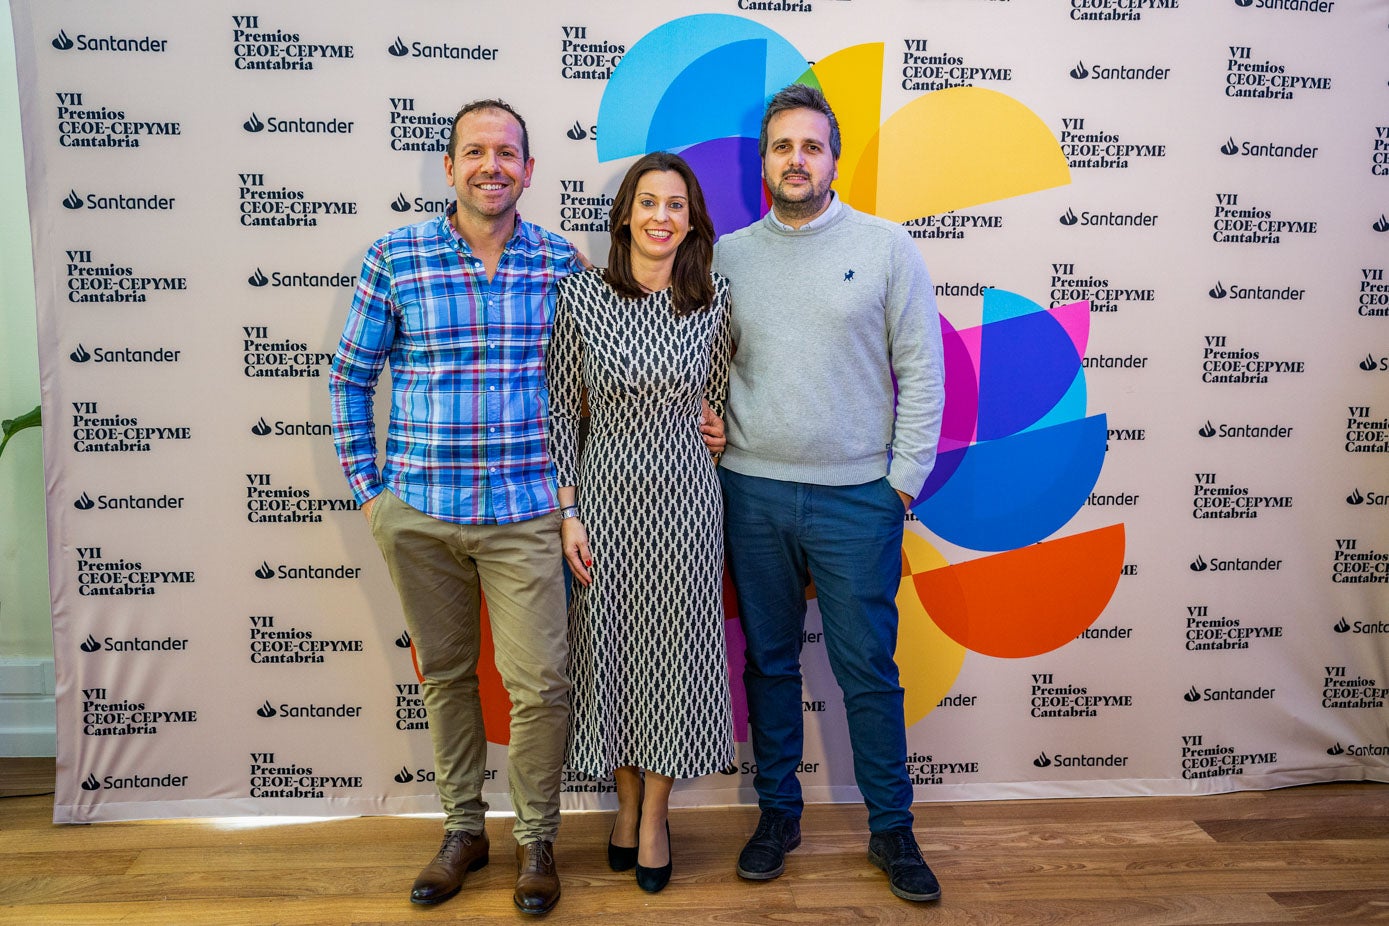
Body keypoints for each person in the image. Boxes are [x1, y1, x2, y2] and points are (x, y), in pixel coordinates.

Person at [328, 99, 579, 916]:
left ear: (529, 170)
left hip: (525, 510)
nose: (491, 167)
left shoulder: (559, 261)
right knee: (444, 677)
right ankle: (463, 830)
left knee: (539, 684)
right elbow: (349, 378)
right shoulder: (395, 257)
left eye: (507, 153)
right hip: (421, 511)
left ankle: (536, 840)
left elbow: (587, 388)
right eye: (475, 152)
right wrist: (372, 494)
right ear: (449, 166)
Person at [712, 84, 947, 903]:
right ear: (763, 160)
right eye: (782, 147)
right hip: (750, 493)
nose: (796, 160)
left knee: (867, 671)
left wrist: (900, 487)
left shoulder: (886, 246)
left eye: (811, 146)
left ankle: (892, 830)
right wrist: (711, 426)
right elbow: (705, 363)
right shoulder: (729, 255)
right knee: (770, 665)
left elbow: (922, 367)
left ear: (833, 160)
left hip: (858, 501)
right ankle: (777, 814)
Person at [547, 151, 734, 894]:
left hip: (687, 508)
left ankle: (653, 816)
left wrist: (721, 429)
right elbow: (560, 408)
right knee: (611, 657)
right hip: (603, 507)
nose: (661, 216)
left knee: (672, 661)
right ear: (625, 213)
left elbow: (719, 402)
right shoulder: (582, 297)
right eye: (648, 202)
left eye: (676, 205)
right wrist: (567, 514)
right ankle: (622, 806)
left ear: (692, 222)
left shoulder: (713, 301)